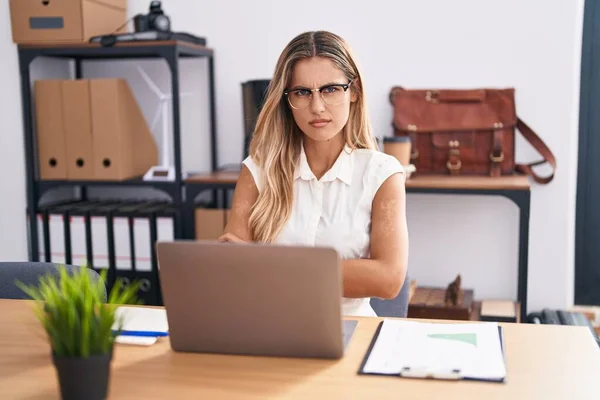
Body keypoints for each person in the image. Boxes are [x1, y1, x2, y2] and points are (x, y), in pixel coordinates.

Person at [219, 31, 408, 317]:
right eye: (302, 92)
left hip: (351, 331)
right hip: (269, 325)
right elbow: (233, 267)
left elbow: (388, 279)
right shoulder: (258, 170)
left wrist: (272, 266)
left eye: (331, 89)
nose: (317, 107)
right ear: (286, 98)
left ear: (353, 91)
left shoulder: (382, 174)